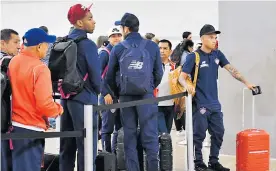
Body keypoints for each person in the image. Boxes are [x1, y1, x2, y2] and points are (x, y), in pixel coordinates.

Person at [179, 24, 255, 171]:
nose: (214, 40)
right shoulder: (193, 57)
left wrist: (247, 83)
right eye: (211, 37)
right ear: (202, 38)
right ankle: (198, 163)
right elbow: (182, 77)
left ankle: (214, 161)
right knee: (199, 135)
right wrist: (186, 85)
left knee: (219, 132)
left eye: (215, 37)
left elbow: (232, 70)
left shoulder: (217, 54)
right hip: (200, 104)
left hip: (214, 104)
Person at [105, 13, 163, 171]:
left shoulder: (118, 48)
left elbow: (109, 76)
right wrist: (148, 87)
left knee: (129, 137)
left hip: (126, 98)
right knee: (150, 136)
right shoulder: (152, 46)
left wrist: (120, 92)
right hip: (146, 96)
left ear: (125, 28)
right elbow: (159, 73)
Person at [8, 28, 63, 171]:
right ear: (39, 46)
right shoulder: (40, 68)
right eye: (46, 44)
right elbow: (45, 105)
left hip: (13, 126)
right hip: (31, 128)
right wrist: (59, 109)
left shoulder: (13, 62)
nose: (48, 48)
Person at [59, 3, 100, 171]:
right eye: (90, 18)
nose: (94, 22)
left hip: (65, 98)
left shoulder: (64, 41)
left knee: (66, 147)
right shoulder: (87, 44)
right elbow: (96, 77)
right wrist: (98, 91)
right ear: (79, 23)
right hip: (85, 99)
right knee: (87, 146)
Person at [100, 26, 122, 153]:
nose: (116, 38)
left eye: (118, 35)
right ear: (109, 38)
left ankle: (115, 157)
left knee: (119, 129)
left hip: (119, 96)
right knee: (107, 129)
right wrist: (106, 93)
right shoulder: (105, 53)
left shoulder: (120, 52)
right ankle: (106, 156)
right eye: (113, 36)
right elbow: (97, 75)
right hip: (108, 97)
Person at [1, 28, 21, 171]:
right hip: (4, 117)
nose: (19, 46)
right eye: (15, 42)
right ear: (3, 43)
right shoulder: (8, 61)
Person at [156, 39, 175, 134]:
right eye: (159, 48)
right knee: (163, 134)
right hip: (156, 105)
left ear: (170, 51)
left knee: (167, 133)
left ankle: (165, 149)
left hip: (170, 105)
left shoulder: (175, 67)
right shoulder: (152, 66)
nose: (162, 51)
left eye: (165, 48)